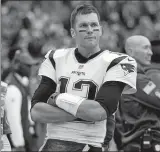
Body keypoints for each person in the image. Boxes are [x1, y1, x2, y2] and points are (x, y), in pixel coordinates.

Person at [30, 4, 137, 152]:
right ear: (73, 32)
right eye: (83, 25)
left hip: (91, 143)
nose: (89, 30)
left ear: (101, 29)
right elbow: (36, 112)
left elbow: (100, 111)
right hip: (54, 143)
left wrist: (58, 98)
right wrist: (83, 113)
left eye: (94, 25)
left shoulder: (119, 61)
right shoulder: (55, 57)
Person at [114, 35, 160, 152]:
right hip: (146, 142)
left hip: (132, 143)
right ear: (131, 51)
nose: (150, 53)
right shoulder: (138, 80)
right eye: (146, 48)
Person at [4, 50, 40, 151]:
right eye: (27, 66)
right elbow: (13, 119)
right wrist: (18, 144)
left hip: (26, 136)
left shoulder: (21, 82)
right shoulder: (13, 88)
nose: (31, 68)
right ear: (18, 65)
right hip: (19, 143)